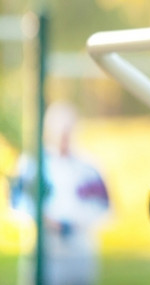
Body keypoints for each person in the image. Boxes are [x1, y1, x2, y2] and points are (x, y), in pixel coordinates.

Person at [9, 101, 111, 285]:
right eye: (59, 128)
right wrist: (43, 220)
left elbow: (104, 208)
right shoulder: (32, 165)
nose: (64, 134)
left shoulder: (89, 167)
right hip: (45, 253)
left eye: (68, 128)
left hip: (80, 254)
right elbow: (17, 204)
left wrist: (75, 223)